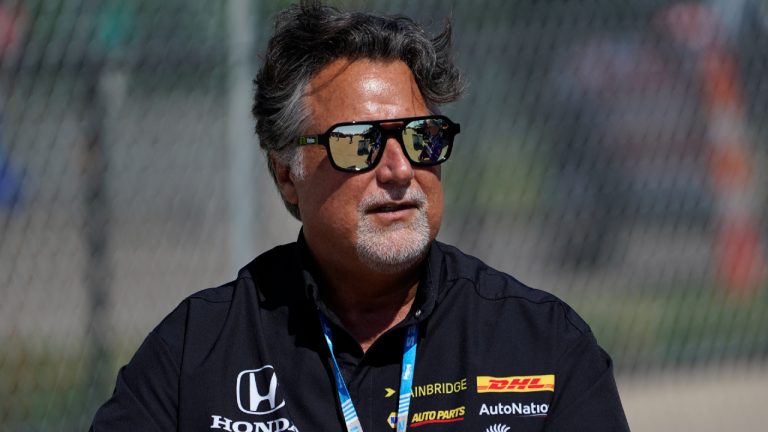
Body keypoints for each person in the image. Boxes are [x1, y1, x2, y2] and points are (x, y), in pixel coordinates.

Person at [90, 1, 629, 431]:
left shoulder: (542, 346)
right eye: (358, 144)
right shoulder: (196, 356)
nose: (399, 169)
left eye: (422, 139)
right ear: (285, 174)